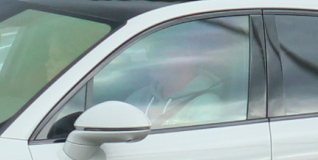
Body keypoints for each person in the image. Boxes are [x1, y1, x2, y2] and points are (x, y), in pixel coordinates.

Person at [94, 19, 249, 129]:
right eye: (152, 51)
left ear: (187, 58)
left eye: (162, 51)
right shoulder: (140, 96)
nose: (152, 57)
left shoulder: (207, 105)